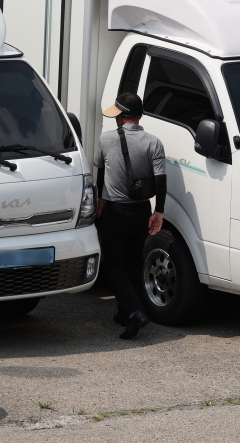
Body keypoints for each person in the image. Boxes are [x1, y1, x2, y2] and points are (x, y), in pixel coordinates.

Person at [94, 92, 166, 340]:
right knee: (134, 264)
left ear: (121, 117)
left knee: (114, 266)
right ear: (139, 116)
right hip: (141, 211)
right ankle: (124, 312)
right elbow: (161, 182)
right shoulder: (153, 142)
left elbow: (101, 173)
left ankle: (135, 313)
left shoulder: (105, 140)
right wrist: (159, 212)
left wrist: (100, 201)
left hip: (116, 210)